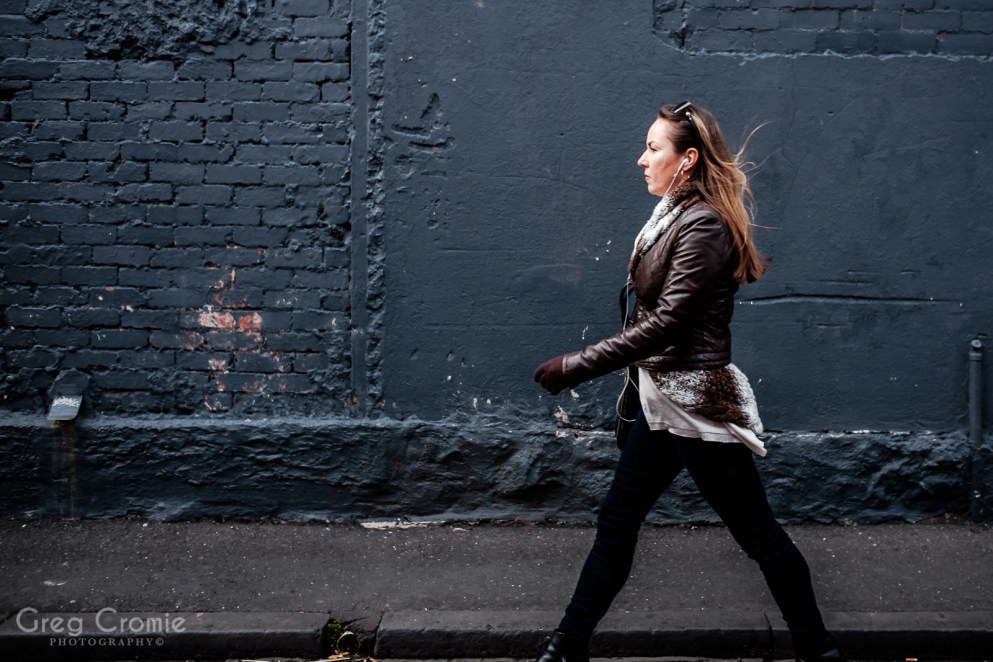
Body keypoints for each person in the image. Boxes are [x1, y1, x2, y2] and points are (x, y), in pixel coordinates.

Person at [531, 101, 844, 662]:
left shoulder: (703, 225)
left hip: (694, 404)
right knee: (617, 523)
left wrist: (575, 366)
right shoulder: (676, 215)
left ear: (688, 158)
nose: (641, 159)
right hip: (662, 402)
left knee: (758, 535)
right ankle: (566, 646)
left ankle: (818, 651)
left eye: (654, 148)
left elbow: (667, 323)